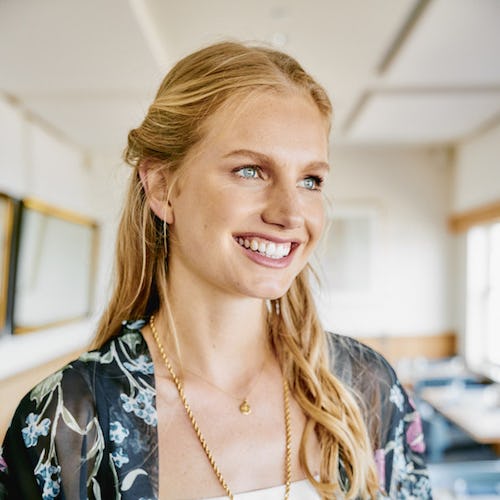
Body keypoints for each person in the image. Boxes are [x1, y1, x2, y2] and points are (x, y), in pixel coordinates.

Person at [0, 41, 432, 499]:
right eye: (250, 170)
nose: (290, 213)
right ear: (164, 188)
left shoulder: (367, 388)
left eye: (311, 180)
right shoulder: (66, 419)